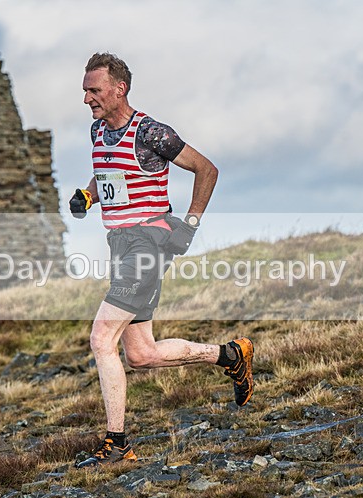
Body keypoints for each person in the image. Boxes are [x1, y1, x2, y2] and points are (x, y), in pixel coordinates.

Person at [69, 52, 254, 468]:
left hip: (148, 244)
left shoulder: (151, 133)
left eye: (94, 90)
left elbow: (207, 169)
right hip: (120, 245)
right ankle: (230, 355)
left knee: (101, 338)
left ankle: (117, 445)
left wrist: (190, 224)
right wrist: (87, 196)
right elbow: (107, 175)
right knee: (141, 355)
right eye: (84, 91)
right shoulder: (98, 131)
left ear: (120, 89)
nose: (87, 99)